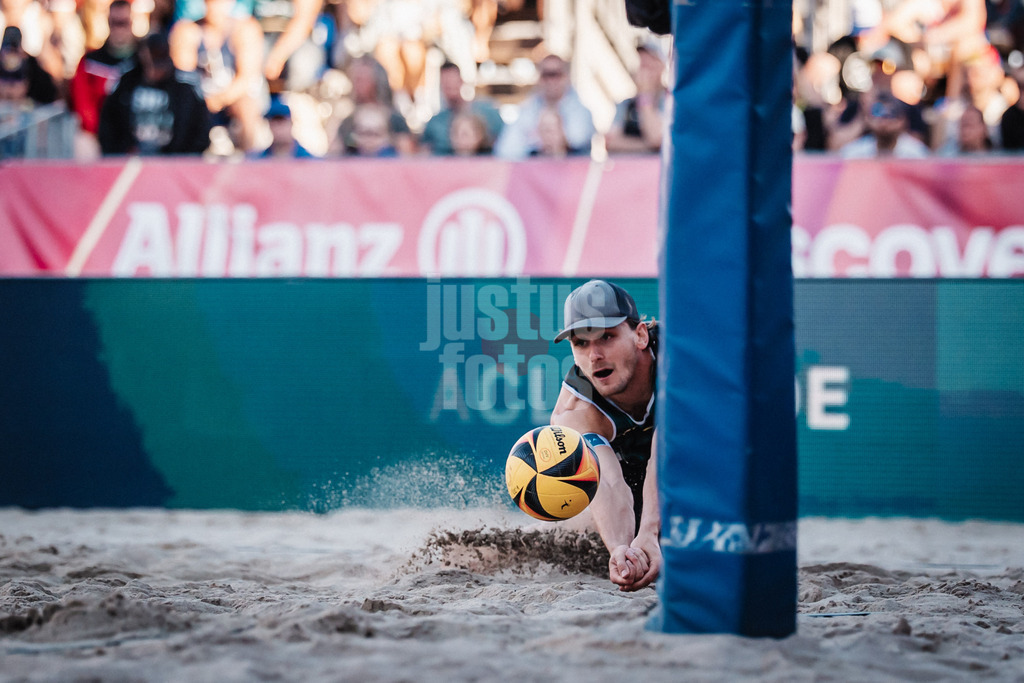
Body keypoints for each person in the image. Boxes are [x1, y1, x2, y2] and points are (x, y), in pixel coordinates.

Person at [549, 280, 660, 592]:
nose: (594, 355)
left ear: (640, 335)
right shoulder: (574, 411)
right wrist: (622, 552)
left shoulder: (680, 362)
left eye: (607, 337)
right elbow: (607, 480)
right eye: (580, 343)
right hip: (634, 487)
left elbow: (668, 452)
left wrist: (650, 532)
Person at [169, 0, 265, 152]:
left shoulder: (245, 29)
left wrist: (219, 100)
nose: (215, 7)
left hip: (235, 96)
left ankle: (249, 157)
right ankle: (183, 155)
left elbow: (247, 77)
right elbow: (184, 75)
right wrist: (204, 101)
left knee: (246, 105)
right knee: (185, 101)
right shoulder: (188, 30)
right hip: (201, 95)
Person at [98, 32, 211, 155]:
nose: (156, 70)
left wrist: (179, 156)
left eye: (160, 63)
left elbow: (201, 130)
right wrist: (122, 150)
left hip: (174, 162)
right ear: (143, 56)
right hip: (131, 159)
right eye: (152, 63)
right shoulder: (126, 83)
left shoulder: (185, 87)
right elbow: (109, 122)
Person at [493, 53, 595, 159]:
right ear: (539, 78)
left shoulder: (580, 110)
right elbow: (505, 150)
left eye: (556, 74)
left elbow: (578, 139)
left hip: (573, 171)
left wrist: (533, 139)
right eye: (546, 75)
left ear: (567, 77)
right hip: (535, 171)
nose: (551, 81)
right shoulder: (528, 108)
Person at [68, 0, 137, 157]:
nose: (119, 29)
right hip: (98, 135)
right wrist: (102, 132)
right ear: (108, 23)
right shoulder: (91, 62)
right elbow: (82, 103)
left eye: (123, 23)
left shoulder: (142, 61)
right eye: (115, 23)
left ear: (131, 23)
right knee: (83, 144)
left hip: (135, 136)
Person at [420, 60, 502, 155]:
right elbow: (424, 151)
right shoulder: (435, 123)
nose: (450, 87)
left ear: (461, 82)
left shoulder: (488, 111)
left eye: (452, 82)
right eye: (446, 84)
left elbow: (505, 142)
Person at [604, 41, 667, 154]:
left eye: (649, 65)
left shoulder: (670, 101)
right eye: (641, 65)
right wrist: (648, 146)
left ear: (661, 66)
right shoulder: (626, 104)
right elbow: (610, 142)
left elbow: (657, 138)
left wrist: (645, 97)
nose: (644, 72)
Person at [839, 90, 931, 157]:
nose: (884, 122)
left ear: (902, 120)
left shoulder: (917, 154)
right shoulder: (854, 153)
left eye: (891, 115)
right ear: (868, 119)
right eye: (878, 114)